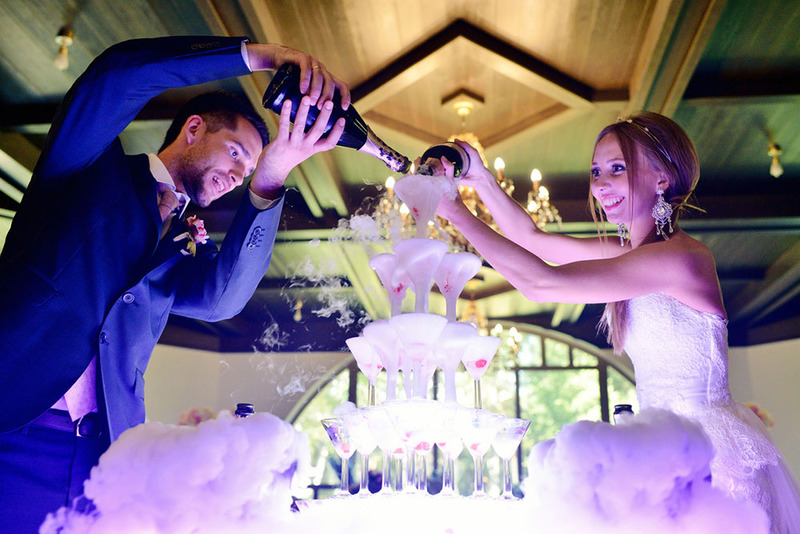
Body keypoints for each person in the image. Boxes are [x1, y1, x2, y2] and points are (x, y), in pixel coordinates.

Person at [0, 35, 349, 531]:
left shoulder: (182, 243)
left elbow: (222, 299)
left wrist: (270, 175)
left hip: (108, 465)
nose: (235, 174)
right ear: (192, 129)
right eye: (234, 153)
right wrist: (260, 57)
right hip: (12, 428)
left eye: (245, 167)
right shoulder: (85, 169)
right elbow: (113, 76)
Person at [434, 112, 800, 532]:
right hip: (659, 450)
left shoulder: (680, 258)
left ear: (663, 178)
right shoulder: (631, 252)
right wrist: (479, 179)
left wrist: (457, 214)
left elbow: (541, 282)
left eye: (616, 168)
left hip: (708, 459)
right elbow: (532, 239)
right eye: (595, 171)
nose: (600, 183)